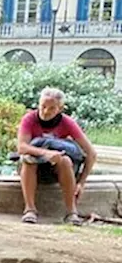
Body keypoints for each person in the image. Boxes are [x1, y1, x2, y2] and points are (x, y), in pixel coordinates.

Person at [17, 86, 97, 225]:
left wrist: (81, 182)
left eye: (52, 108)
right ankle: (30, 209)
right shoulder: (29, 119)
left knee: (65, 160)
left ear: (60, 109)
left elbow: (91, 153)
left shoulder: (67, 122)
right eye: (43, 106)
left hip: (57, 168)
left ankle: (71, 212)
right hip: (34, 165)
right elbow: (22, 147)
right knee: (29, 159)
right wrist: (46, 153)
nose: (46, 111)